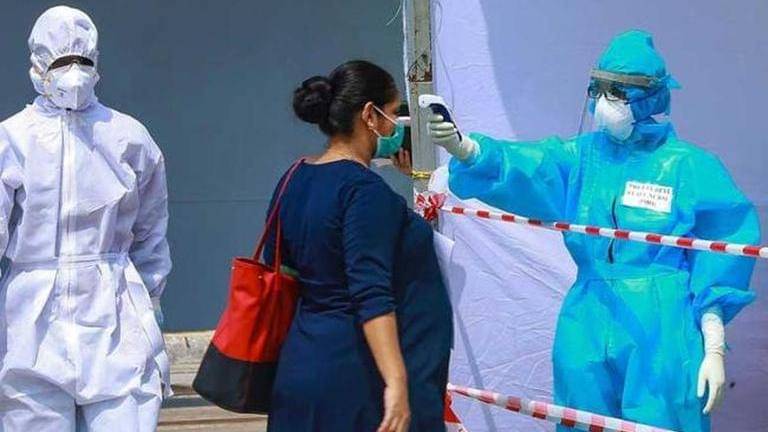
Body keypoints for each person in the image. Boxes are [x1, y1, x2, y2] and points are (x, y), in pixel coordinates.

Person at [427, 30, 760, 432]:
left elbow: (724, 249)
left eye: (618, 92)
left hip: (661, 319)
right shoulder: (583, 158)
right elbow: (532, 163)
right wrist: (469, 150)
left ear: (649, 97)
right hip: (587, 310)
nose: (604, 102)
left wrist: (714, 344)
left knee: (661, 419)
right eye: (598, 90)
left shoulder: (688, 166)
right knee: (581, 418)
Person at [0, 6, 172, 431]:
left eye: (81, 60)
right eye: (61, 61)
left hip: (114, 313)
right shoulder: (12, 139)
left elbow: (151, 232)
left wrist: (149, 298)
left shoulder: (128, 137)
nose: (73, 72)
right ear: (38, 65)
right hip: (31, 320)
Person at [264, 60, 453, 432]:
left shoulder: (294, 179)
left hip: (301, 364)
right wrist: (396, 382)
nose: (396, 126)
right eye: (394, 113)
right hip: (356, 380)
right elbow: (370, 292)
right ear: (370, 115)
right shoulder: (364, 192)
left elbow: (279, 264)